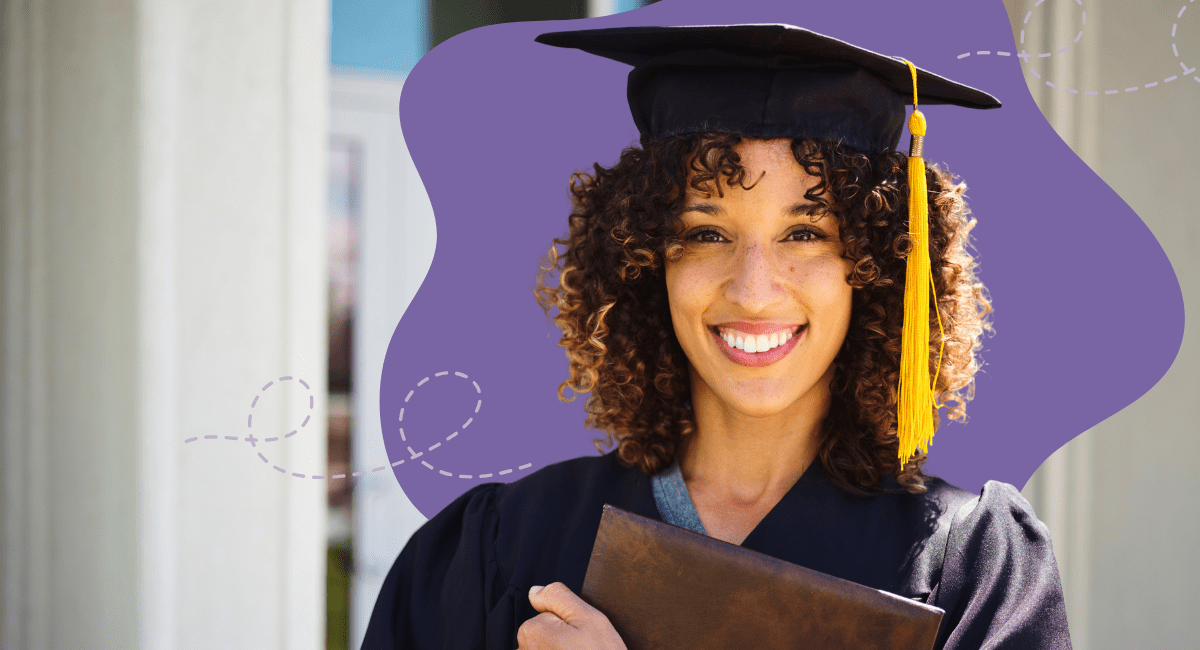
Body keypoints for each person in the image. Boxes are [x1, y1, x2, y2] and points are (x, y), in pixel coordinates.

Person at [363, 24, 1072, 650]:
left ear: (878, 266)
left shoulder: (970, 565)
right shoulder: (502, 547)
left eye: (805, 232)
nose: (754, 288)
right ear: (645, 261)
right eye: (706, 233)